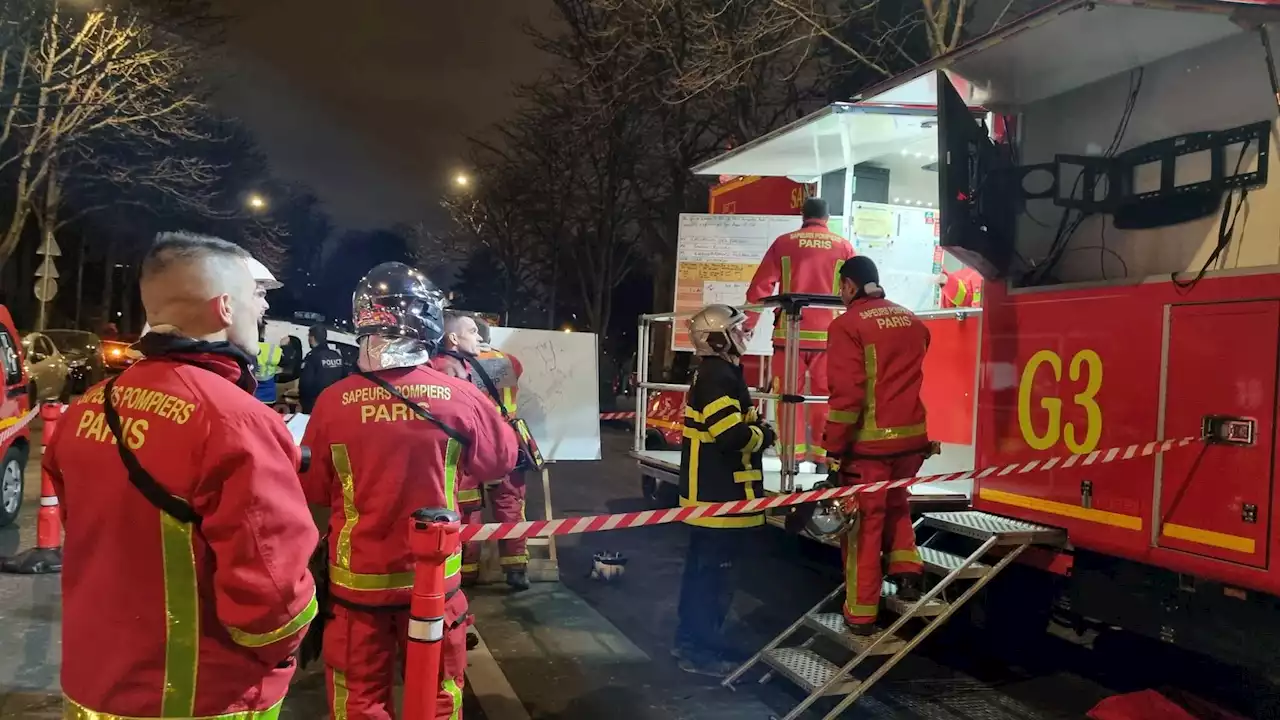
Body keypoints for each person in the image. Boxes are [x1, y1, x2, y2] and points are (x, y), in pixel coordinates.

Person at [44, 231, 318, 717]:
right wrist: (285, 648)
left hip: (94, 683)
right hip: (199, 692)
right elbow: (271, 595)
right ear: (226, 308)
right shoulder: (237, 422)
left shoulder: (86, 408)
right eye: (256, 297)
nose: (262, 311)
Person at [302, 263, 519, 720]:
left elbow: (315, 486)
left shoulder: (332, 402)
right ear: (426, 321)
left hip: (356, 583)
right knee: (439, 692)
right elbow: (499, 461)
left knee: (357, 697)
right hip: (434, 580)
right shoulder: (460, 395)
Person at [823, 256, 930, 634]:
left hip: (868, 449)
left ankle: (862, 613)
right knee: (898, 505)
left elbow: (848, 397)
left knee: (862, 529)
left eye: (841, 287)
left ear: (850, 286)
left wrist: (832, 448)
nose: (840, 294)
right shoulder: (911, 320)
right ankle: (908, 574)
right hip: (911, 442)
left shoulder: (846, 326)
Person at [674, 304, 777, 677]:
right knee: (712, 579)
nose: (744, 335)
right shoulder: (717, 375)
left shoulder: (718, 372)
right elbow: (730, 436)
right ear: (717, 339)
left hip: (715, 497)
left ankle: (695, 641)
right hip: (719, 498)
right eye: (738, 329)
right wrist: (765, 435)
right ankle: (698, 650)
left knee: (706, 575)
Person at [746, 197, 855, 467]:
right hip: (829, 337)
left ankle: (790, 460)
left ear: (802, 216)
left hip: (789, 336)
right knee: (824, 399)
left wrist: (747, 324)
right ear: (827, 218)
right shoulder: (844, 246)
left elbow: (760, 287)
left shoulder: (784, 243)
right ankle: (822, 458)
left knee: (787, 399)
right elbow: (855, 289)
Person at [470, 318, 530, 591]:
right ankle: (516, 569)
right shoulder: (511, 361)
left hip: (473, 443)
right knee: (509, 503)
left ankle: (467, 571)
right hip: (508, 441)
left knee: (467, 506)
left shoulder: (458, 363)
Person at [298, 324, 347, 413]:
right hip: (335, 402)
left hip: (315, 404)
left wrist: (303, 401)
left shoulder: (312, 357)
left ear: (312, 338)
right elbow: (343, 378)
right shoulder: (336, 355)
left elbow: (305, 383)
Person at [254, 323, 283, 405]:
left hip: (250, 395)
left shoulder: (243, 347)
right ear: (263, 333)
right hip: (268, 396)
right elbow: (286, 361)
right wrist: (285, 345)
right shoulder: (272, 349)